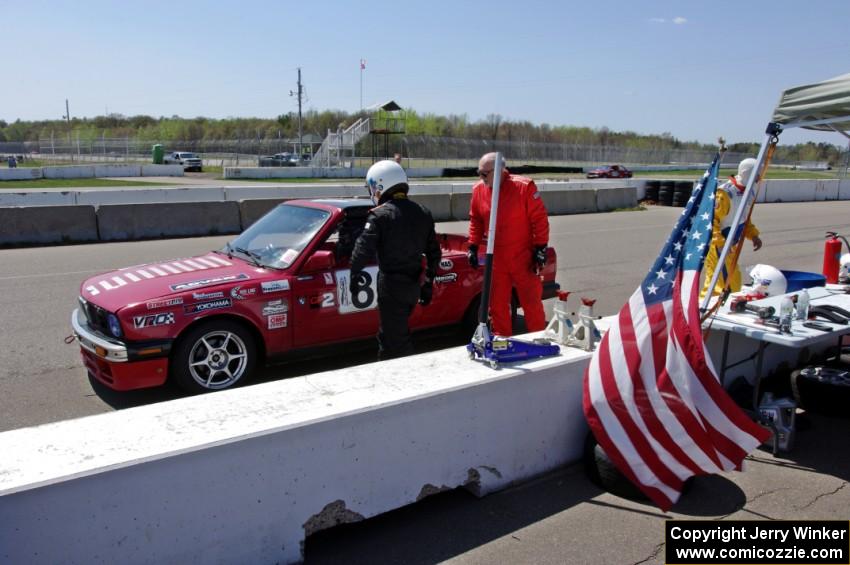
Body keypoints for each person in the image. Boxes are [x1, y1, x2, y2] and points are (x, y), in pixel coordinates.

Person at [350, 160, 441, 360]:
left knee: (394, 342)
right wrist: (428, 284)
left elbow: (361, 250)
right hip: (413, 287)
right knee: (391, 335)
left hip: (391, 287)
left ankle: (401, 380)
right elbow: (434, 253)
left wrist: (354, 274)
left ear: (379, 185)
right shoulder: (423, 213)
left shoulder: (379, 215)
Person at [467, 152, 550, 336]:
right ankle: (501, 340)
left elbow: (540, 219)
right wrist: (472, 245)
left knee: (531, 303)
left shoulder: (524, 187)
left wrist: (540, 247)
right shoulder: (478, 190)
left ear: (499, 171)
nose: (481, 178)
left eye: (484, 174)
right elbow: (476, 220)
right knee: (497, 305)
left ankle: (539, 339)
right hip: (496, 259)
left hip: (523, 256)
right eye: (478, 173)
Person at [700, 157, 764, 298]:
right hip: (718, 246)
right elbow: (712, 222)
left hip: (730, 246)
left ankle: (721, 308)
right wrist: (722, 244)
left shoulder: (749, 191)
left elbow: (744, 218)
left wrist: (753, 235)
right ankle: (702, 312)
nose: (760, 177)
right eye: (758, 173)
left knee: (733, 281)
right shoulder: (725, 194)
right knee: (718, 285)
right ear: (748, 173)